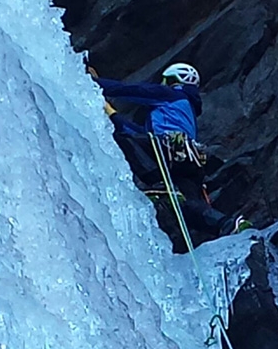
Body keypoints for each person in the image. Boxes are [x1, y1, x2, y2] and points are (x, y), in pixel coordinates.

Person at [88, 62, 251, 248]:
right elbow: (138, 133)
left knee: (121, 139)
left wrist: (92, 81)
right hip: (188, 163)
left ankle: (157, 183)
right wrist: (111, 113)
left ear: (173, 80)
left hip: (168, 152)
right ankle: (229, 225)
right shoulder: (184, 108)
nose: (162, 84)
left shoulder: (172, 94)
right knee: (186, 207)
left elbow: (127, 90)